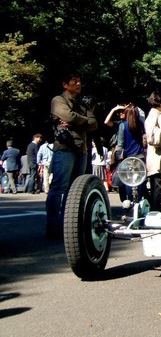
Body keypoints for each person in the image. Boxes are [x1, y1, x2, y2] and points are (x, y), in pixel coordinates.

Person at [46, 72, 98, 239]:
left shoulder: (82, 104)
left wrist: (76, 121)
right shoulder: (58, 100)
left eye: (79, 81)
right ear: (65, 84)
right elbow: (68, 115)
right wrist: (81, 121)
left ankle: (69, 224)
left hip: (81, 149)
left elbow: (94, 123)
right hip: (65, 148)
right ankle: (53, 224)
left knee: (75, 189)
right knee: (59, 186)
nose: (78, 84)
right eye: (74, 81)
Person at [116, 104, 147, 202]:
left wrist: (118, 156)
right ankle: (140, 202)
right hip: (140, 157)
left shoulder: (123, 125)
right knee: (140, 180)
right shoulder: (141, 125)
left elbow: (120, 144)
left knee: (128, 180)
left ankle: (129, 202)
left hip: (128, 158)